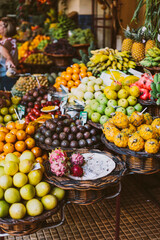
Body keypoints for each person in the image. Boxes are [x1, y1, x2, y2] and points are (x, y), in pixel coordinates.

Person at [0, 17, 18, 91]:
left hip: (6, 77)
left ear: (6, 29)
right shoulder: (4, 41)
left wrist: (9, 58)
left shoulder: (9, 42)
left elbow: (2, 49)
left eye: (0, 25)